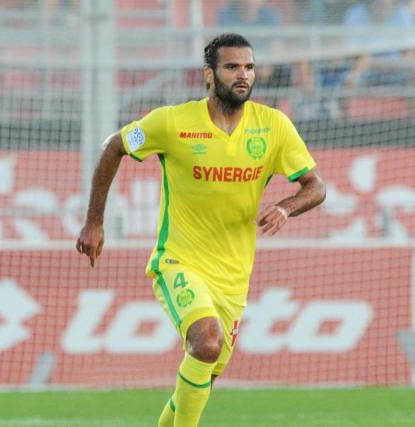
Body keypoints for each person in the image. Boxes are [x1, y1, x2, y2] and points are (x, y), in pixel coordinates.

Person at [76, 33, 326, 427]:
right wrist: (94, 221)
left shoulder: (274, 126)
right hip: (178, 261)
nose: (242, 75)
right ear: (209, 75)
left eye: (249, 67)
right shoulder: (172, 122)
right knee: (206, 342)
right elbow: (114, 146)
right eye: (232, 67)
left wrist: (284, 207)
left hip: (232, 277)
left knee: (202, 375)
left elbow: (316, 186)